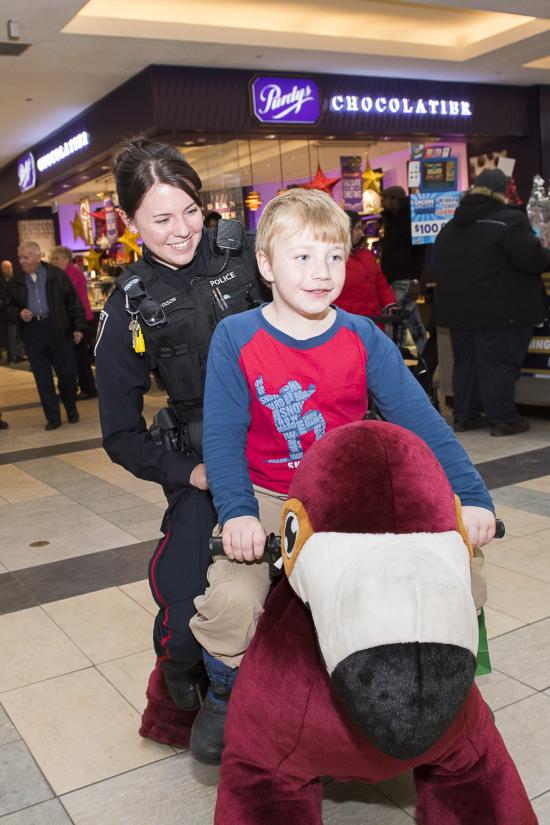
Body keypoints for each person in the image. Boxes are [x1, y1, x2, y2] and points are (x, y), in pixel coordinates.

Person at [196, 187, 496, 765]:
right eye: (303, 256)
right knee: (232, 599)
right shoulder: (236, 337)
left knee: (461, 568)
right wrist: (236, 513)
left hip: (347, 497)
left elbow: (421, 422)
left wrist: (472, 496)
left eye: (334, 256)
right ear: (266, 264)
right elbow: (224, 437)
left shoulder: (363, 336)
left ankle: (432, 686)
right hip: (268, 493)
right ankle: (225, 690)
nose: (322, 272)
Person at [94, 137, 262, 749]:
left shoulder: (249, 256)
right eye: (161, 219)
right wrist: (190, 474)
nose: (183, 230)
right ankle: (192, 674)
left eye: (190, 210)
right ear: (128, 220)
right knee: (189, 602)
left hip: (284, 437)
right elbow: (119, 435)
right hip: (203, 464)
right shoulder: (129, 305)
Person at [433, 168, 550, 436]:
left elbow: (435, 265)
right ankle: (503, 419)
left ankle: (465, 415)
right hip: (501, 309)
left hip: (458, 311)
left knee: (467, 364)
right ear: (502, 192)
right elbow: (534, 260)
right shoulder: (508, 221)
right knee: (498, 364)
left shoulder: (451, 226)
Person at [5, 242, 85, 430]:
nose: (21, 261)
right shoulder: (16, 281)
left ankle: (71, 408)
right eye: (20, 257)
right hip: (33, 332)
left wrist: (79, 328)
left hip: (59, 329)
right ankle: (53, 417)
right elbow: (7, 307)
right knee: (43, 379)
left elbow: (73, 303)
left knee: (67, 375)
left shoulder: (57, 276)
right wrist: (19, 314)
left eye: (26, 257)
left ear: (37, 256)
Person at [379, 186, 428, 352]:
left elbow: (420, 252)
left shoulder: (410, 219)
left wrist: (416, 279)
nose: (382, 203)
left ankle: (395, 358)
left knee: (396, 321)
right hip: (394, 278)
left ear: (394, 200)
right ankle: (426, 356)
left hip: (405, 278)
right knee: (413, 322)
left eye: (385, 199)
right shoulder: (390, 220)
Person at [334, 210, 397, 329]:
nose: (362, 233)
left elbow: (380, 283)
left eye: (361, 228)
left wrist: (390, 303)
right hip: (348, 325)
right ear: (345, 231)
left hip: (374, 321)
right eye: (357, 228)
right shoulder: (334, 259)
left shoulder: (366, 255)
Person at [50, 245, 97, 399]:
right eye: (53, 259)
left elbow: (68, 300)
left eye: (56, 258)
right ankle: (81, 387)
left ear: (65, 259)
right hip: (80, 318)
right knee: (77, 357)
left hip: (79, 320)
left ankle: (87, 388)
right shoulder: (70, 272)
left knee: (79, 358)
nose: (53, 262)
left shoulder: (70, 274)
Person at [1, 259, 25, 363]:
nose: (10, 270)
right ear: (2, 269)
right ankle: (13, 356)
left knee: (19, 334)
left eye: (10, 267)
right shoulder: (1, 281)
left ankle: (19, 353)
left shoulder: (15, 279)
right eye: (7, 268)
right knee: (11, 335)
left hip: (17, 311)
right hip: (7, 312)